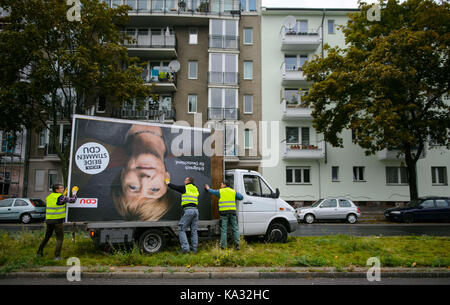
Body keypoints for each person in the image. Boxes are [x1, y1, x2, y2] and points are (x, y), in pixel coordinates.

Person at [111, 124, 172, 221]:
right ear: (167, 177)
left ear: (122, 175)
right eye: (155, 189)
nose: (144, 179)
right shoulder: (192, 141)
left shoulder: (93, 127)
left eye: (133, 187)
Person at [36, 183, 78, 260]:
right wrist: (74, 193)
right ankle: (57, 256)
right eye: (61, 188)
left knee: (47, 237)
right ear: (57, 190)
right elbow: (73, 200)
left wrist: (64, 194)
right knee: (60, 239)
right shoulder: (60, 197)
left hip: (49, 221)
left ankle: (39, 252)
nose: (62, 189)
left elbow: (58, 202)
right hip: (57, 222)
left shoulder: (49, 197)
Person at [205, 181, 243, 250]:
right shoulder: (233, 191)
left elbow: (212, 192)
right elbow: (241, 197)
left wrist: (208, 188)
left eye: (221, 184)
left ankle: (223, 246)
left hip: (224, 213)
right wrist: (235, 193)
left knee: (224, 230)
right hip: (232, 212)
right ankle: (237, 245)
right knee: (235, 229)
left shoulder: (220, 191)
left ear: (225, 185)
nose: (220, 185)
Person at [167, 177, 199, 253]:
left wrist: (168, 183)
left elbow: (175, 187)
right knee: (194, 230)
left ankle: (185, 248)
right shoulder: (195, 188)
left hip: (188, 210)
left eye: (185, 180)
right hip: (196, 211)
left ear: (188, 181)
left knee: (181, 229)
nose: (184, 181)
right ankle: (194, 249)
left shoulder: (185, 187)